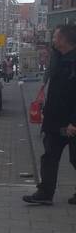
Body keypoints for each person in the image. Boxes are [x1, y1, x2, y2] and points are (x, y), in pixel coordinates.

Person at [23, 24, 76, 206]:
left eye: (55, 37)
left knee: (75, 158)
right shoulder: (58, 58)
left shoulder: (72, 62)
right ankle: (45, 193)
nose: (52, 40)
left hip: (71, 122)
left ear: (63, 40)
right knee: (49, 157)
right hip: (55, 120)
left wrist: (74, 122)